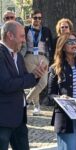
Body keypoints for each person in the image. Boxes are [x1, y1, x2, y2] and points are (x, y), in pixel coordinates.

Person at [0, 21, 47, 150]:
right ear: (10, 35)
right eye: (21, 36)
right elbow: (6, 84)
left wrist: (37, 74)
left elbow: (25, 80)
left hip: (19, 118)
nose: (24, 40)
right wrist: (31, 77)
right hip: (3, 120)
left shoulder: (19, 56)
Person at [22, 9, 54, 115]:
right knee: (34, 81)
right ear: (31, 18)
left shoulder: (46, 30)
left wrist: (50, 59)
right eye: (35, 17)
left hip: (42, 57)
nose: (37, 20)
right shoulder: (25, 29)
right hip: (29, 56)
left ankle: (26, 100)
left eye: (39, 18)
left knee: (43, 82)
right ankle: (36, 106)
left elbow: (51, 45)